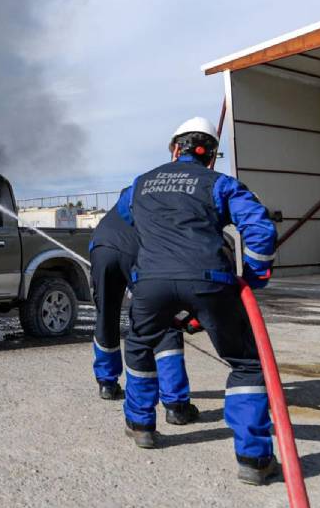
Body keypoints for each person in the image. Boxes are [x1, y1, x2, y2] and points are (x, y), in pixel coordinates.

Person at [115, 117, 279, 485]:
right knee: (246, 363)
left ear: (175, 149)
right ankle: (253, 459)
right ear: (211, 156)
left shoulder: (139, 184)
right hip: (209, 282)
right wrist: (254, 278)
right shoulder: (221, 183)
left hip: (151, 284)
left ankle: (141, 425)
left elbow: (127, 214)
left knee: (139, 345)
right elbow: (259, 229)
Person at [90, 202, 199, 428]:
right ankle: (176, 405)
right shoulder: (170, 201)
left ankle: (107, 384)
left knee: (106, 316)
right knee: (164, 318)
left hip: (101, 246)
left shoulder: (135, 194)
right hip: (137, 248)